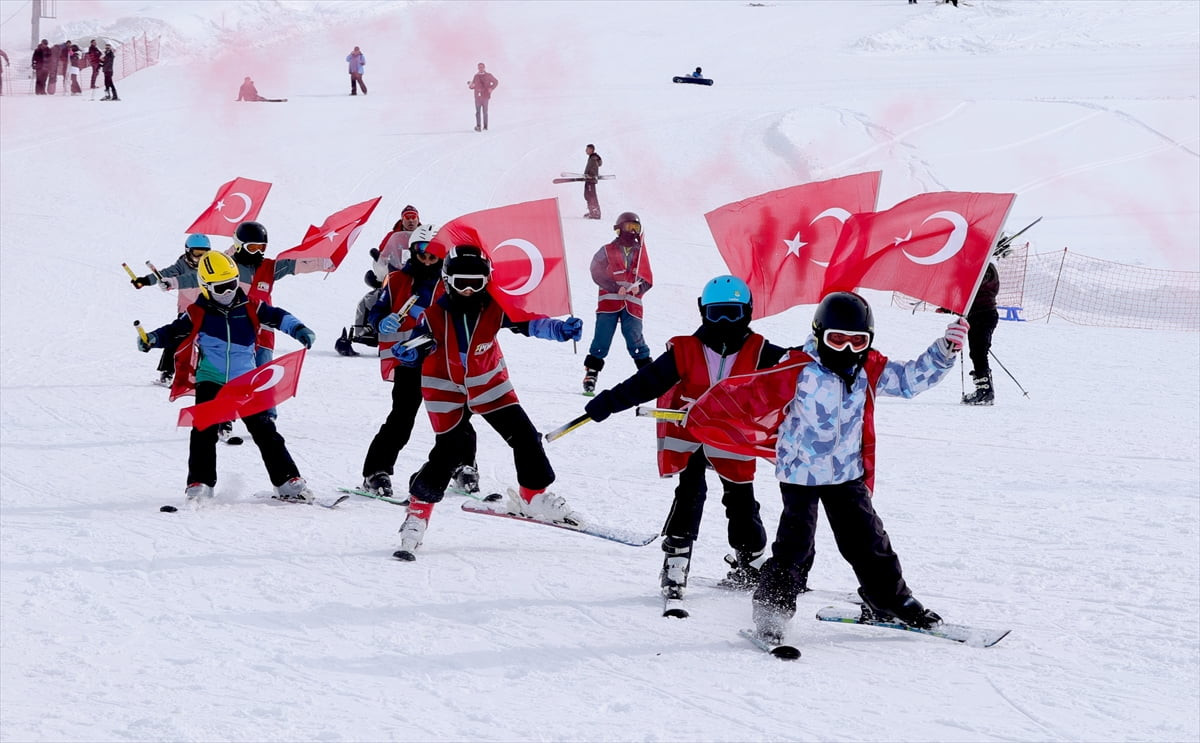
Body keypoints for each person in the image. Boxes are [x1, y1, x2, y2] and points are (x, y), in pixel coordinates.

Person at [686, 291, 969, 644]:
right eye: (837, 339)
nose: (847, 349)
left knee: (868, 540)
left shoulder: (868, 369)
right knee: (796, 546)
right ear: (819, 334)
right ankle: (772, 611)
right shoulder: (797, 369)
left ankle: (889, 600)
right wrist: (707, 410)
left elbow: (910, 380)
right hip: (800, 473)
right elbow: (749, 396)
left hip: (846, 473)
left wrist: (944, 351)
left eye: (857, 341)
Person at [582, 276, 790, 601]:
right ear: (703, 311)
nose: (724, 322)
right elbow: (646, 382)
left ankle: (750, 559)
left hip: (733, 438)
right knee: (690, 492)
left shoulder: (761, 351)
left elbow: (796, 372)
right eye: (716, 313)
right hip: (691, 434)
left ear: (748, 312)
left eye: (733, 313)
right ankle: (676, 558)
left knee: (740, 499)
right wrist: (608, 402)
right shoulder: (686, 350)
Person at [392, 245, 584, 560]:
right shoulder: (434, 314)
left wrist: (559, 329)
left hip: (489, 383)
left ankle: (533, 496)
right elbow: (419, 341)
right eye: (461, 283)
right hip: (445, 386)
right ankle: (417, 514)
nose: (468, 291)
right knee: (449, 451)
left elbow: (530, 323)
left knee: (525, 437)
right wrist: (410, 354)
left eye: (476, 283)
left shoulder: (496, 307)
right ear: (447, 281)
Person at [136, 252, 318, 504]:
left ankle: (287, 480)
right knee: (203, 431)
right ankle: (200, 482)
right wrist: (152, 339)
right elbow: (174, 331)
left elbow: (278, 316)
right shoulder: (197, 312)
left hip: (245, 379)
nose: (229, 291)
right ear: (206, 287)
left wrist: (299, 329)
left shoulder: (251, 305)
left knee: (264, 429)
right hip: (211, 378)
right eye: (221, 288)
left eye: (232, 284)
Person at [358, 225, 481, 500]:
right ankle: (376, 472)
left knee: (458, 416)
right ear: (412, 253)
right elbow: (376, 311)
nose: (426, 262)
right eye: (422, 256)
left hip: (445, 362)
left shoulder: (452, 282)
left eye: (433, 257)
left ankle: (464, 466)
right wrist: (382, 321)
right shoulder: (397, 280)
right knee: (402, 417)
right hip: (409, 360)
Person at [336, 205, 422, 356]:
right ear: (402, 219)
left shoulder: (423, 234)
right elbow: (384, 253)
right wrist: (379, 260)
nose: (410, 220)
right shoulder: (392, 236)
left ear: (418, 219)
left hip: (418, 277)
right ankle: (363, 331)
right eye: (407, 217)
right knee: (369, 300)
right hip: (396, 274)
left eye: (413, 217)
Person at [583, 211, 653, 395]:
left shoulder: (640, 253)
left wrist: (641, 287)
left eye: (635, 227)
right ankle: (591, 373)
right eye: (629, 227)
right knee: (602, 337)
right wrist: (613, 286)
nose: (632, 231)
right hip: (609, 303)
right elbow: (595, 270)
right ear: (619, 229)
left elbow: (648, 277)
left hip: (632, 304)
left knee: (635, 337)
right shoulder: (607, 250)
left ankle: (649, 375)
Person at [130, 234, 214, 385]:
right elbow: (165, 274)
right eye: (197, 253)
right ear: (188, 251)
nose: (200, 258)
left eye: (204, 253)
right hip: (186, 310)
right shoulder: (181, 265)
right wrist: (145, 280)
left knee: (207, 341)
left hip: (207, 309)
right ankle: (167, 372)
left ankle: (203, 374)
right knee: (177, 338)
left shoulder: (211, 266)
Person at [958, 259, 1000, 406]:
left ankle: (985, 392)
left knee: (979, 352)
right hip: (977, 314)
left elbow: (977, 285)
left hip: (984, 314)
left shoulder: (986, 267)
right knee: (977, 352)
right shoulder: (980, 265)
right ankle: (984, 389)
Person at [467, 62, 498, 132]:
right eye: (479, 67)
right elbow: (474, 86)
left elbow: (496, 82)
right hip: (477, 97)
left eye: (482, 67)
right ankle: (478, 127)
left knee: (485, 112)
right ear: (478, 68)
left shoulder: (488, 75)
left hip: (485, 96)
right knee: (477, 112)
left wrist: (491, 88)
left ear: (484, 68)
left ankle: (485, 127)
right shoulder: (476, 76)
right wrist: (471, 86)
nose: (480, 68)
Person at [583, 144, 603, 220]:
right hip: (589, 180)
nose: (586, 150)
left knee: (591, 196)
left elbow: (594, 170)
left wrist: (591, 176)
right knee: (587, 195)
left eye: (587, 149)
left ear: (591, 150)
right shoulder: (592, 157)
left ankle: (595, 213)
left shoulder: (593, 158)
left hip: (590, 180)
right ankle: (592, 211)